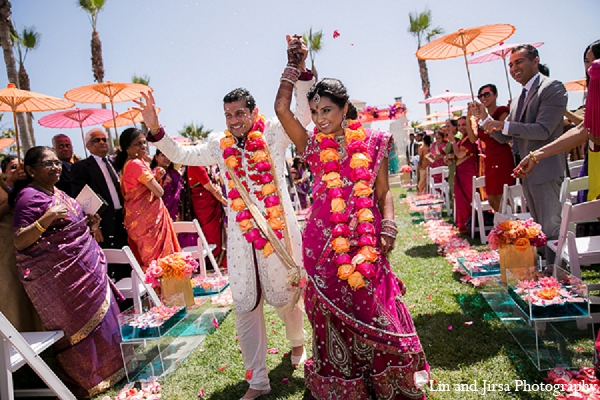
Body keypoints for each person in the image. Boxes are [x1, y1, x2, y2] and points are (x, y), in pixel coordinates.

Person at [134, 39, 309, 400]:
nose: (234, 121)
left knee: (288, 295)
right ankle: (258, 381)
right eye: (228, 115)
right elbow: (183, 153)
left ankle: (297, 345)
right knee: (246, 305)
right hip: (243, 240)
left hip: (279, 233)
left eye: (239, 114)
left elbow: (303, 117)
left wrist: (301, 71)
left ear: (253, 111)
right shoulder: (218, 143)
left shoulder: (275, 133)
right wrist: (156, 129)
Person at [274, 37, 429, 399]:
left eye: (327, 110)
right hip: (320, 243)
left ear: (345, 109)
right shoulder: (312, 146)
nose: (320, 118)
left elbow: (383, 193)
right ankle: (342, 380)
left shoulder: (374, 143)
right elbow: (282, 108)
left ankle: (387, 378)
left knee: (372, 302)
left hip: (365, 236)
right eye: (315, 112)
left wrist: (387, 226)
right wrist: (292, 67)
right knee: (328, 312)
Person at [10, 146, 124, 398]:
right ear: (30, 170)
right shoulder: (29, 197)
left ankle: (115, 369)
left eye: (57, 163)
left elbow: (71, 227)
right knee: (77, 328)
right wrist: (46, 218)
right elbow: (19, 240)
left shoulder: (57, 192)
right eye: (48, 164)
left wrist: (90, 224)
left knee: (103, 318)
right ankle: (87, 382)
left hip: (85, 267)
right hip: (60, 278)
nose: (56, 167)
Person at [480, 44, 568, 258]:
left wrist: (505, 126)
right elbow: (505, 136)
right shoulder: (519, 98)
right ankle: (545, 274)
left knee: (551, 229)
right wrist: (485, 119)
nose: (514, 68)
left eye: (519, 62)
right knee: (537, 230)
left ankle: (561, 276)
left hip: (546, 169)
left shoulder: (552, 87)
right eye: (511, 65)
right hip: (526, 172)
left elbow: (544, 129)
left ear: (535, 61)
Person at [113, 128, 181, 269]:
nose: (143, 146)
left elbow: (142, 188)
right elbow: (159, 191)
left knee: (150, 261)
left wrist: (156, 176)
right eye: (138, 144)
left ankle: (157, 289)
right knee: (158, 262)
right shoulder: (136, 164)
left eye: (144, 142)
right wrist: (156, 177)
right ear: (127, 148)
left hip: (139, 221)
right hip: (148, 222)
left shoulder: (128, 164)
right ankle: (162, 290)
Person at [71, 128, 128, 281]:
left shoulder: (115, 163)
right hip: (103, 222)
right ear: (88, 146)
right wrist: (94, 226)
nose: (102, 142)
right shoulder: (81, 167)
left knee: (127, 259)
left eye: (104, 139)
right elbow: (81, 198)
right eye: (97, 140)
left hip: (123, 218)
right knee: (112, 263)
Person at [0, 156, 43, 332]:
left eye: (21, 166)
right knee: (12, 289)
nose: (18, 170)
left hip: (28, 244)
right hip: (6, 245)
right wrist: (10, 201)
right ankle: (14, 334)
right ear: (4, 173)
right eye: (12, 167)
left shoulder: (28, 187)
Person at [466, 84, 515, 211]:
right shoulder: (481, 118)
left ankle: (509, 225)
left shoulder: (502, 111)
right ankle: (500, 225)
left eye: (487, 94)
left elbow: (503, 136)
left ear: (495, 95)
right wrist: (468, 116)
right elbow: (473, 139)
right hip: (489, 158)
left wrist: (484, 118)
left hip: (502, 155)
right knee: (492, 198)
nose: (483, 97)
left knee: (504, 196)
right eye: (480, 95)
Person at [184, 165, 227, 266]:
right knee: (211, 234)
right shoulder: (196, 166)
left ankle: (214, 262)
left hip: (207, 204)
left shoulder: (200, 165)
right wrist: (226, 202)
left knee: (212, 233)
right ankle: (212, 263)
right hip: (205, 206)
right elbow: (211, 188)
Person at [449, 116, 477, 234]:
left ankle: (474, 223)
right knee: (462, 199)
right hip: (461, 172)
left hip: (469, 172)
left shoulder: (469, 139)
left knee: (470, 198)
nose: (461, 127)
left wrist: (453, 142)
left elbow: (460, 154)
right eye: (459, 125)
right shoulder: (463, 139)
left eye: (464, 124)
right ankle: (467, 224)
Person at [150, 149, 183, 221]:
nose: (167, 158)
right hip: (161, 212)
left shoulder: (175, 173)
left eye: (168, 156)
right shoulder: (153, 174)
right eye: (163, 155)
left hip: (178, 211)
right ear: (156, 157)